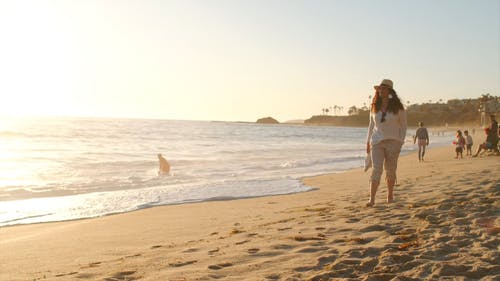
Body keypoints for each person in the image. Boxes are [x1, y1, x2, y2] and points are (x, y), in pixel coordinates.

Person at [366, 79, 407, 207]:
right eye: (379, 89)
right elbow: (371, 126)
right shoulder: (374, 107)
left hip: (394, 142)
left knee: (390, 169)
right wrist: (367, 142)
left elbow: (404, 126)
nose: (380, 90)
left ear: (389, 90)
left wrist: (400, 141)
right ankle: (372, 199)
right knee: (376, 169)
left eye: (383, 88)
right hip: (377, 142)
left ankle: (390, 195)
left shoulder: (399, 108)